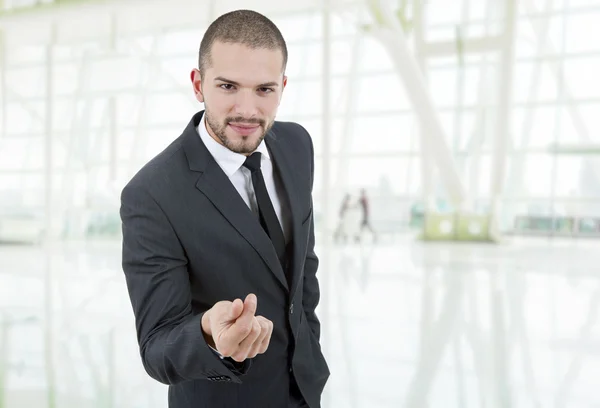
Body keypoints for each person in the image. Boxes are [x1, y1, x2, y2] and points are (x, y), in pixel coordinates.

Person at [119, 10, 329, 408]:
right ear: (198, 85)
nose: (247, 110)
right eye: (228, 86)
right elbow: (156, 346)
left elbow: (303, 270)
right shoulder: (151, 194)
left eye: (264, 90)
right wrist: (208, 334)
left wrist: (311, 351)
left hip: (304, 391)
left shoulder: (297, 145)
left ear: (283, 87)